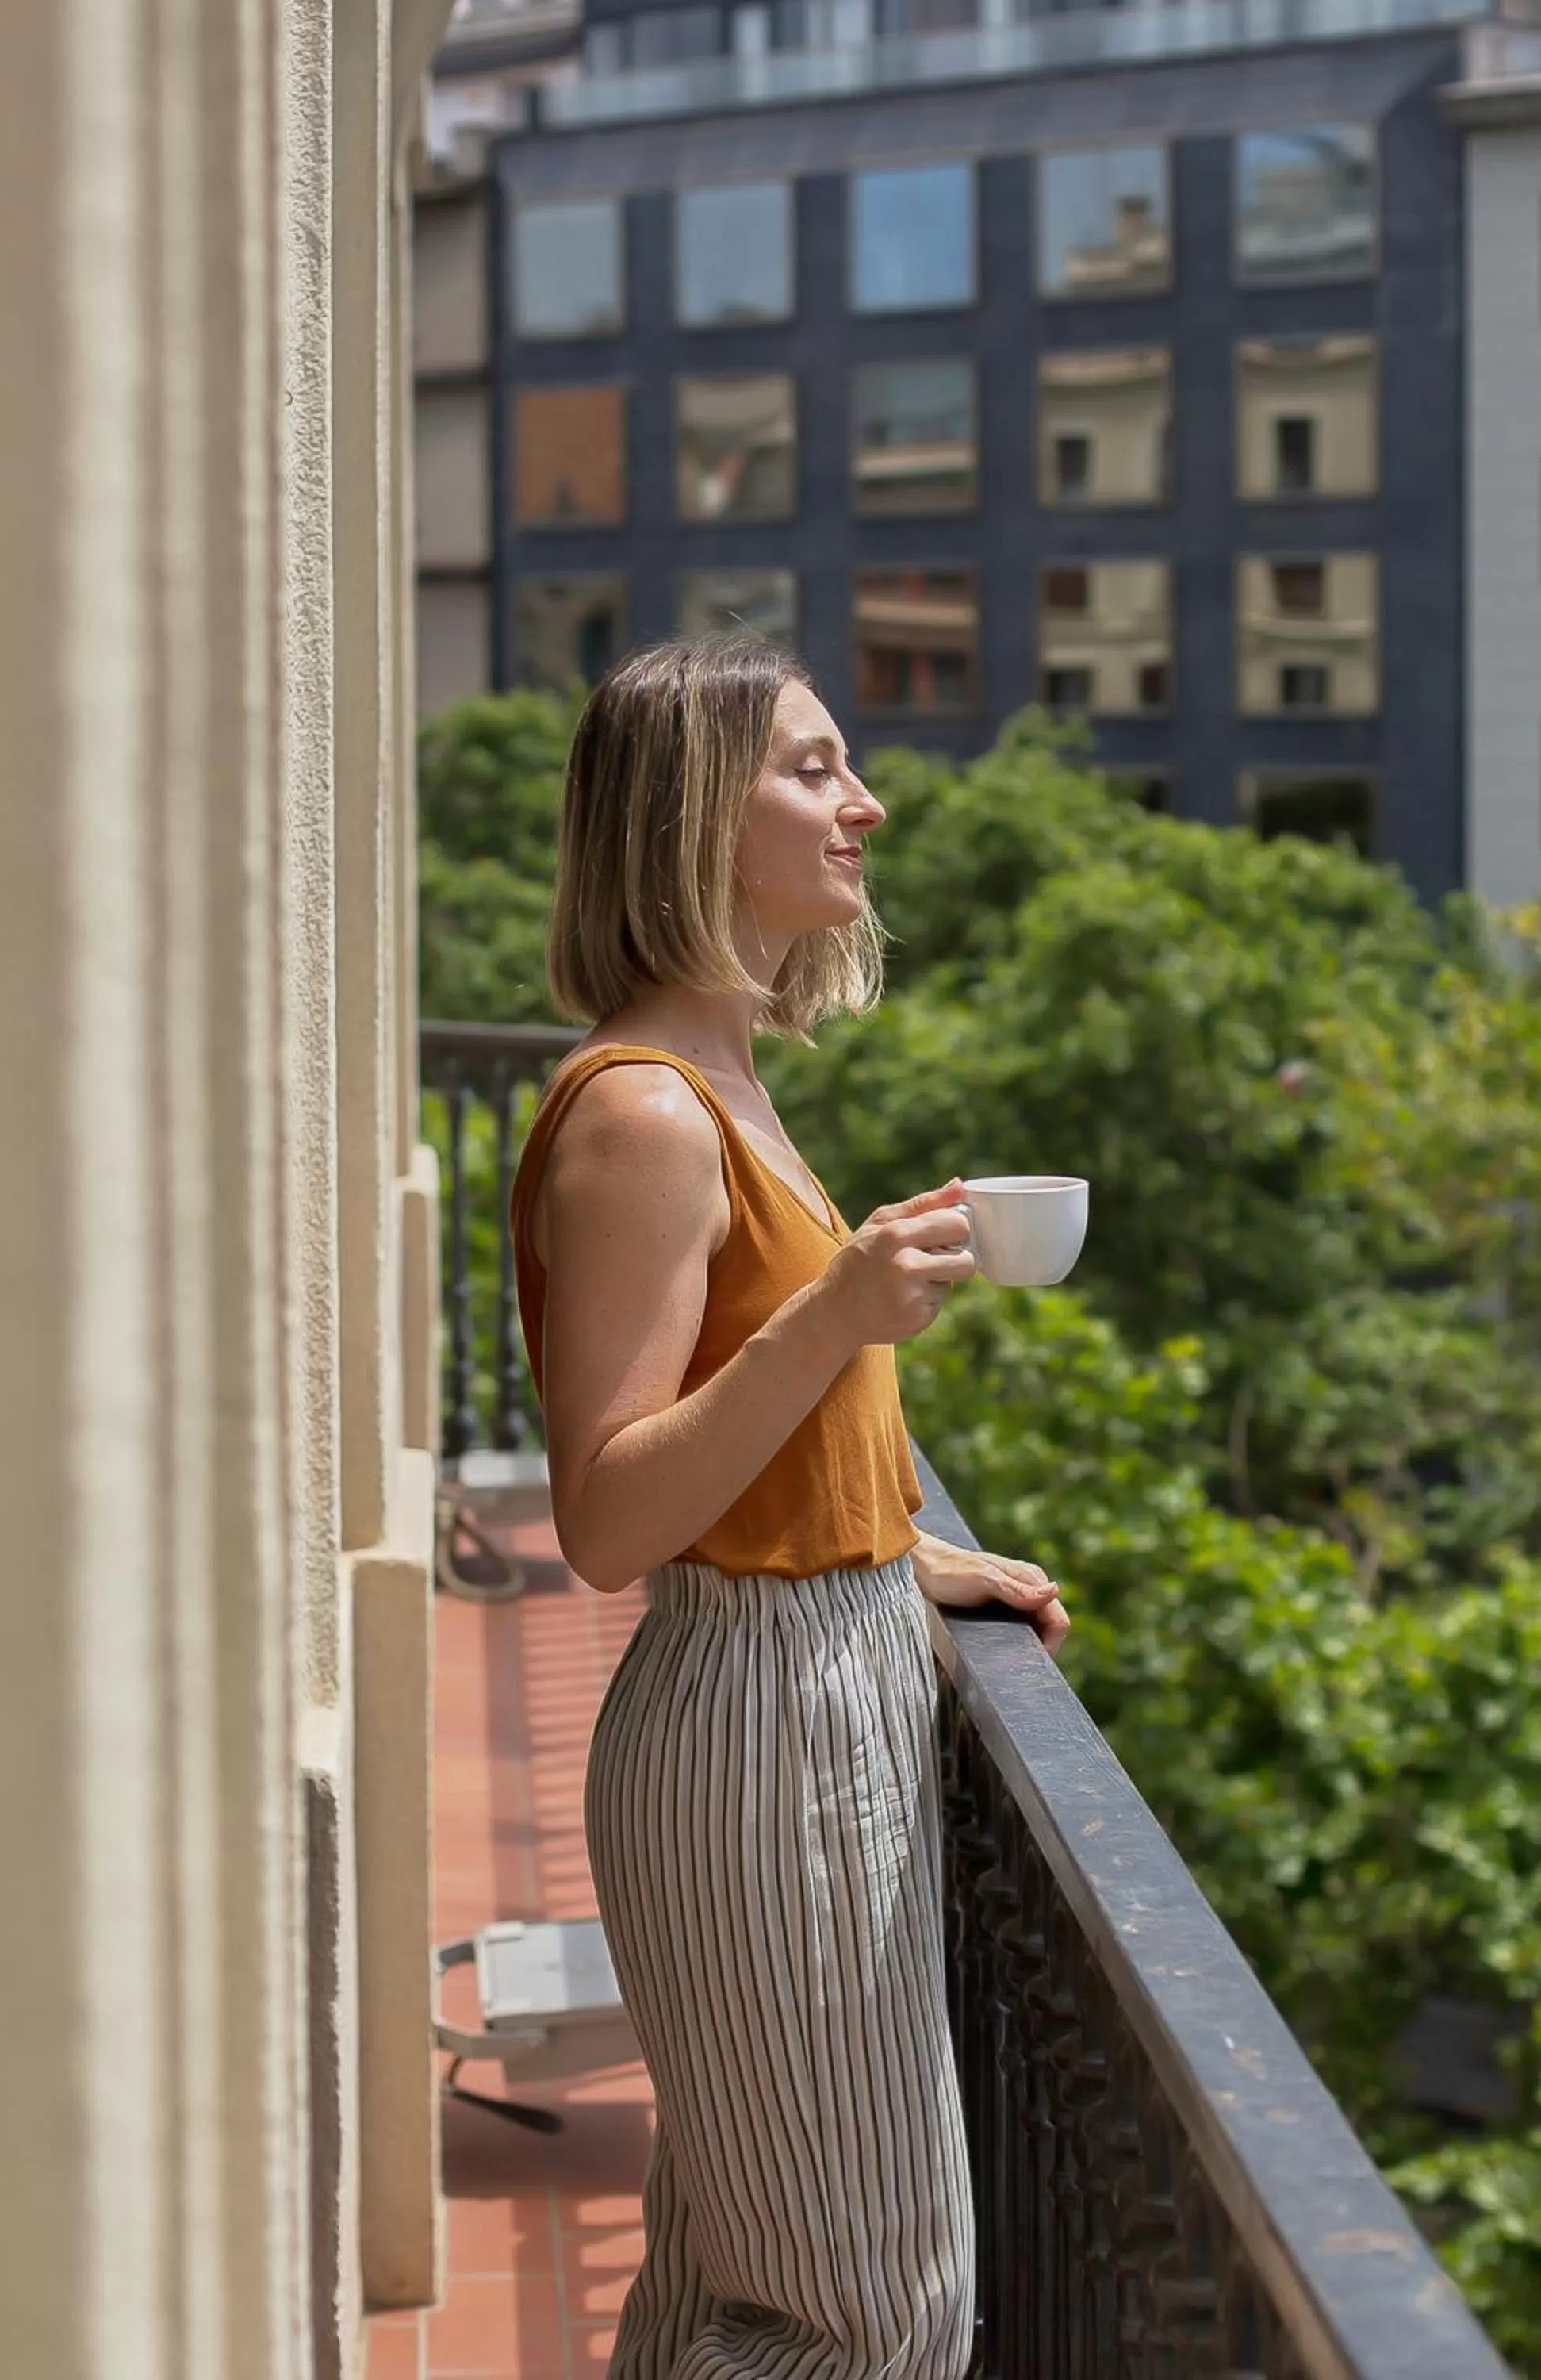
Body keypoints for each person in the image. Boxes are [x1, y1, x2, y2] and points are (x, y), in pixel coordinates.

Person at [508, 636, 1070, 2380]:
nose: (866, 802)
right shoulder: (646, 1118)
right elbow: (606, 1513)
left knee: (737, 2288)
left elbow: (745, 1456)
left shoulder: (723, 1088)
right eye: (814, 768)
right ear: (691, 811)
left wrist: (894, 1556)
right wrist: (840, 1308)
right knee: (858, 2317)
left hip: (811, 1679)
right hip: (754, 1724)